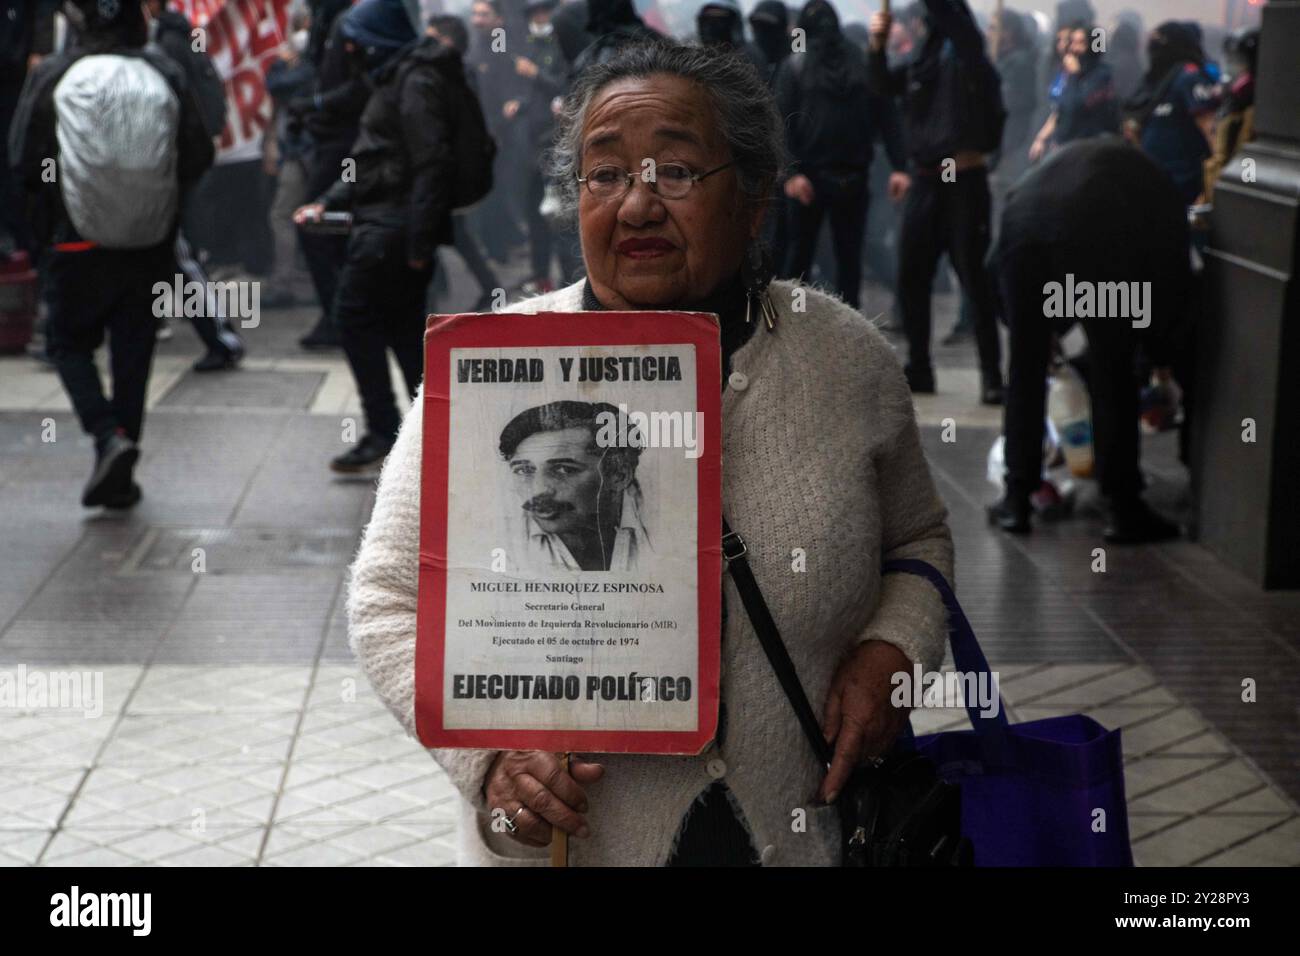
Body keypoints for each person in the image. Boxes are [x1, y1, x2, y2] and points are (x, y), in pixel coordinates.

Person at [348, 38, 954, 867]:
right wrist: (488, 765)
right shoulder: (492, 370)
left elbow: (918, 540)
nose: (637, 206)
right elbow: (385, 597)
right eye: (605, 174)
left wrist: (896, 651)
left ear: (754, 201)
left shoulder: (844, 359)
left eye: (676, 171)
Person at [8, 0, 214, 508]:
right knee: (133, 353)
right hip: (149, 245)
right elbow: (198, 152)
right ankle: (122, 466)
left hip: (75, 240)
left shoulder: (57, 74)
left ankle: (106, 436)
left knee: (67, 344)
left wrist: (50, 212)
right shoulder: (161, 70)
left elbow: (24, 160)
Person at [988, 138, 1188, 542]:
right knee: (1112, 367)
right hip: (1091, 234)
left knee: (1025, 370)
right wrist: (1159, 356)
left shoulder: (1062, 171)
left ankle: (1016, 501)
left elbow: (994, 268)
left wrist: (1036, 331)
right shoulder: (1155, 190)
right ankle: (1122, 506)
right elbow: (1171, 275)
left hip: (1021, 231)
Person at [296, 0, 460, 473]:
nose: (350, 48)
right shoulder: (398, 75)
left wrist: (419, 245)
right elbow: (376, 159)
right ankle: (427, 431)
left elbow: (432, 164)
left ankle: (387, 428)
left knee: (354, 316)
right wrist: (330, 202)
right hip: (389, 225)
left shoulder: (413, 81)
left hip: (391, 231)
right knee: (402, 330)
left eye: (358, 38)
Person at [867, 0, 1005, 404]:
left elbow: (955, 24)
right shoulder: (919, 64)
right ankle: (920, 367)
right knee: (913, 278)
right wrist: (876, 45)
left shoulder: (970, 59)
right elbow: (880, 86)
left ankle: (992, 376)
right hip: (925, 180)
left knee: (974, 280)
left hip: (964, 181)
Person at [778, 0, 906, 311]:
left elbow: (778, 124)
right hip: (839, 177)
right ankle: (838, 325)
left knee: (808, 258)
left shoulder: (795, 65)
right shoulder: (860, 62)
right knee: (840, 258)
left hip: (820, 178)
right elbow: (889, 119)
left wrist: (792, 174)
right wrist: (791, 174)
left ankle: (800, 328)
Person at [144, 0, 246, 373]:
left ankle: (221, 338)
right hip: (162, 169)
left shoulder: (167, 44)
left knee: (175, 255)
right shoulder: (178, 37)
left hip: (163, 170)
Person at [500, 401, 649, 572]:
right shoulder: (500, 541)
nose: (538, 490)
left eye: (563, 470)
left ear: (618, 475)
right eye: (524, 470)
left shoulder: (668, 529)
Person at [1122, 21, 1220, 207]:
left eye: (1160, 42)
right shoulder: (1152, 80)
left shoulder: (1188, 77)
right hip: (1152, 184)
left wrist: (1210, 190)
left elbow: (1213, 135)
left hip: (1186, 186)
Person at [1028, 21, 1118, 162]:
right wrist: (1041, 139)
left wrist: (1075, 76)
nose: (1074, 48)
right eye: (1073, 42)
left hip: (1085, 152)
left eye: (1081, 43)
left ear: (1093, 45)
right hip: (1061, 148)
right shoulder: (1067, 72)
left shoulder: (1101, 75)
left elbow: (1077, 106)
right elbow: (1059, 110)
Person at [1201, 26, 1257, 202]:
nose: (1234, 70)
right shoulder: (1235, 108)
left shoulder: (1254, 117)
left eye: (1240, 62)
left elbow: (1249, 173)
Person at [747, 0, 790, 87]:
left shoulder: (792, 61)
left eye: (768, 27)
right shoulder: (747, 56)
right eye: (757, 25)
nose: (761, 31)